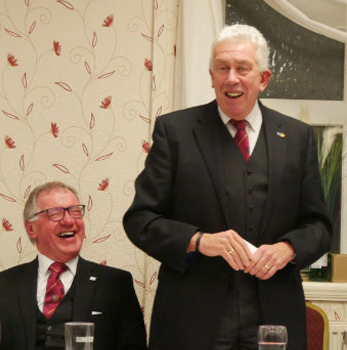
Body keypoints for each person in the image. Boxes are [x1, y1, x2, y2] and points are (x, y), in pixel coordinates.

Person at [123, 24, 332, 350]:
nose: (231, 77)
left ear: (263, 78)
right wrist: (198, 240)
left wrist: (287, 249)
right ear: (211, 76)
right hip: (192, 315)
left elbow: (319, 225)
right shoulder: (175, 132)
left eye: (242, 68)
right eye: (222, 68)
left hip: (273, 314)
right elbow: (140, 219)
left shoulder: (297, 138)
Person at [0, 181, 147, 350]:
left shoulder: (115, 284)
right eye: (55, 213)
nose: (69, 220)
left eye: (75, 211)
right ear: (31, 228)